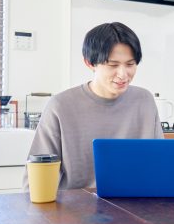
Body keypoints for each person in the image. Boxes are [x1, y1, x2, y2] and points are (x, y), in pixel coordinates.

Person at [23, 22, 163, 190]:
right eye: (113, 65)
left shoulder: (144, 100)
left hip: (137, 204)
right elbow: (33, 185)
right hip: (77, 210)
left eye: (130, 64)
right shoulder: (60, 106)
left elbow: (160, 163)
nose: (123, 74)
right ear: (90, 63)